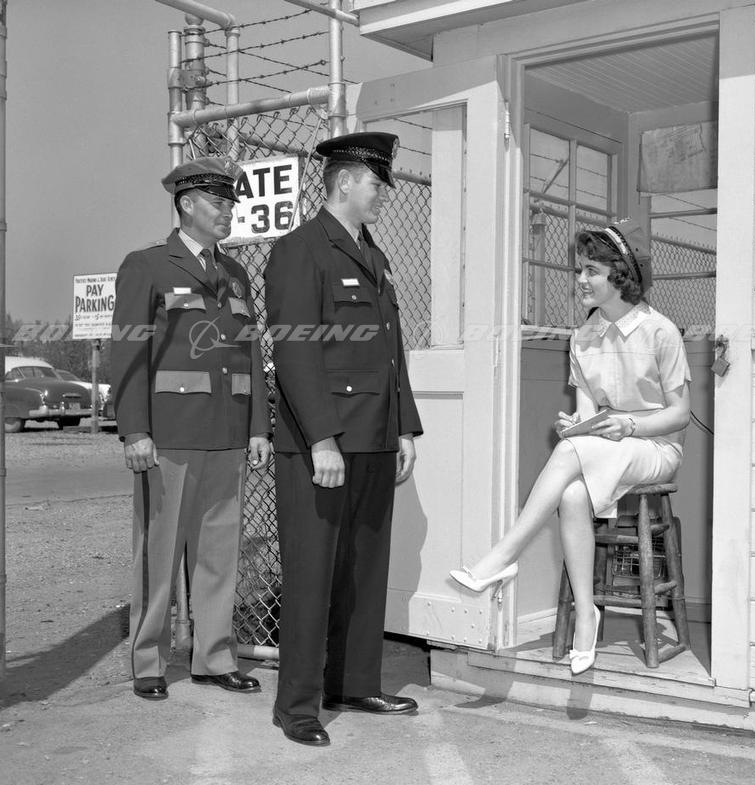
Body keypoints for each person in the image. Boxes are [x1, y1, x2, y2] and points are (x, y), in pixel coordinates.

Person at [449, 219, 691, 677]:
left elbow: (679, 415)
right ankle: (586, 615)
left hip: (655, 448)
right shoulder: (582, 338)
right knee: (572, 494)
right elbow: (586, 416)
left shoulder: (660, 332)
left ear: (621, 275)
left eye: (591, 271)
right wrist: (577, 425)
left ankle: (502, 557)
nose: (580, 279)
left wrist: (628, 424)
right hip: (606, 448)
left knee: (567, 456)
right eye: (579, 269)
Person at [264, 131, 423, 747]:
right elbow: (295, 353)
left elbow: (390, 352)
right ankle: (297, 706)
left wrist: (403, 425)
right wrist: (322, 440)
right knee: (312, 574)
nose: (383, 194)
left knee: (363, 568)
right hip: (323, 444)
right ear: (345, 181)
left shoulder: (371, 254)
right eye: (377, 183)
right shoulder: (300, 250)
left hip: (375, 438)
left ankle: (353, 683)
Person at [110, 157, 273, 701]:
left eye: (231, 203)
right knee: (158, 553)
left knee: (219, 553)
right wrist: (135, 430)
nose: (228, 211)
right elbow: (128, 354)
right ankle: (149, 661)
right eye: (218, 202)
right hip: (169, 435)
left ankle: (214, 658)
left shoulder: (236, 274)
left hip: (228, 434)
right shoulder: (148, 266)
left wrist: (258, 427)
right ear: (186, 203)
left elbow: (250, 353)